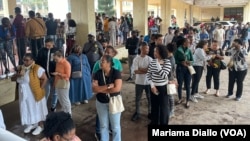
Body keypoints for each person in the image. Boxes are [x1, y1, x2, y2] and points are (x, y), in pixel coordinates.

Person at [92, 45, 123, 140]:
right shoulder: (97, 73)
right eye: (101, 61)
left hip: (113, 101)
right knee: (103, 126)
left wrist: (101, 90)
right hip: (101, 102)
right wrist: (108, 86)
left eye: (103, 61)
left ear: (109, 63)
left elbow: (117, 89)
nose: (100, 63)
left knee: (115, 127)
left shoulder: (116, 73)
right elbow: (94, 89)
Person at [16, 53, 48, 135]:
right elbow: (14, 78)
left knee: (38, 109)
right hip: (24, 94)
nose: (25, 62)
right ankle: (31, 124)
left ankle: (40, 126)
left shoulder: (37, 68)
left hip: (34, 94)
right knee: (27, 108)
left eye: (27, 60)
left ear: (32, 60)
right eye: (24, 60)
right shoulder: (21, 68)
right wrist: (18, 74)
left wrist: (40, 89)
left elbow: (45, 79)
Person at [146, 45, 171, 125]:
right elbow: (148, 74)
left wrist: (158, 64)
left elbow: (164, 75)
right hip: (153, 87)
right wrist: (152, 86)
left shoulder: (167, 62)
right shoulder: (153, 61)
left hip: (163, 88)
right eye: (154, 51)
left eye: (156, 51)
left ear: (161, 52)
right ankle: (154, 122)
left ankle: (164, 123)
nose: (154, 53)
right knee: (154, 106)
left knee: (164, 107)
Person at [131, 42, 152, 121]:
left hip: (148, 82)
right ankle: (137, 113)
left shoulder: (150, 59)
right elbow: (135, 71)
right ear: (141, 48)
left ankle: (150, 112)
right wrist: (146, 70)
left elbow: (151, 70)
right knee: (138, 98)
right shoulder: (136, 59)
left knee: (149, 98)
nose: (147, 50)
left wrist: (141, 69)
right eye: (146, 48)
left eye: (148, 48)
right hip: (139, 82)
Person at [37, 38, 59, 112]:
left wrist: (58, 73)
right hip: (44, 76)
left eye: (49, 45)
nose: (47, 47)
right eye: (46, 45)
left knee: (55, 92)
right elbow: (38, 63)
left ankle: (53, 106)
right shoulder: (41, 51)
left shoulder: (57, 51)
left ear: (53, 44)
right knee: (45, 92)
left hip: (54, 76)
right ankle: (43, 107)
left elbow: (60, 62)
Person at [174, 37, 194, 108]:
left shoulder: (189, 50)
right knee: (179, 84)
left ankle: (187, 100)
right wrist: (181, 62)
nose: (189, 43)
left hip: (188, 69)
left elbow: (193, 60)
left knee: (188, 85)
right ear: (184, 43)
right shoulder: (178, 50)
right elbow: (174, 60)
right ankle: (180, 98)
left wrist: (189, 62)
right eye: (188, 42)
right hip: (180, 69)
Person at [166, 43, 177, 117]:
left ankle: (172, 111)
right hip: (169, 78)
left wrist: (170, 80)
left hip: (169, 79)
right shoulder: (169, 57)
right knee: (168, 95)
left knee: (170, 96)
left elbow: (169, 71)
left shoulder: (171, 59)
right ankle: (170, 110)